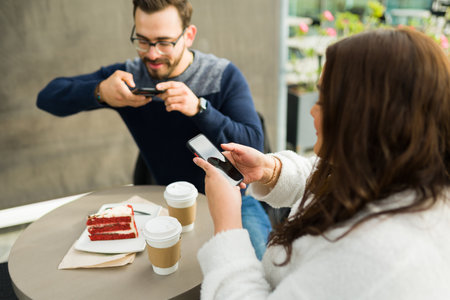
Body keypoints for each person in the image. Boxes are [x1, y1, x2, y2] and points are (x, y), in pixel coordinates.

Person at [194, 28, 450, 299]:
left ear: (364, 119)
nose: (312, 109)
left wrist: (227, 225)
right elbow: (327, 175)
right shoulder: (397, 172)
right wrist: (271, 171)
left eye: (324, 101)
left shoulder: (372, 258)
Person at [36, 0, 271, 259]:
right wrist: (101, 92)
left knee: (261, 269)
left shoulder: (222, 75)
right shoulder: (129, 77)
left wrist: (200, 109)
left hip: (233, 200)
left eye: (164, 42)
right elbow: (48, 97)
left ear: (188, 35)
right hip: (162, 204)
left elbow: (254, 145)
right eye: (143, 41)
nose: (152, 54)